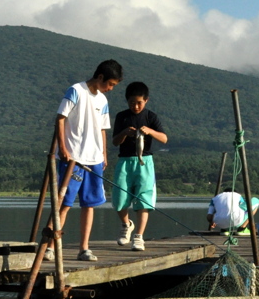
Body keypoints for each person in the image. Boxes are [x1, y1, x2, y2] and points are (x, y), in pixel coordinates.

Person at [46, 59, 122, 262]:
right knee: (64, 204)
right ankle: (50, 247)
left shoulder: (103, 101)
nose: (111, 89)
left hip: (94, 159)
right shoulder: (75, 91)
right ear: (100, 77)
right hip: (72, 157)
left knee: (89, 204)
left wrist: (104, 154)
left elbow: (103, 129)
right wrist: (62, 148)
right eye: (110, 84)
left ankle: (84, 248)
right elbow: (60, 118)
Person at [110, 82, 168, 252]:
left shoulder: (151, 117)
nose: (135, 106)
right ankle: (126, 224)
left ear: (146, 101)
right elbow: (115, 142)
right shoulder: (122, 117)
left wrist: (150, 131)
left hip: (145, 161)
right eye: (132, 103)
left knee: (144, 200)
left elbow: (164, 138)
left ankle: (139, 237)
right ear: (127, 101)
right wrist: (124, 133)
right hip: (125, 161)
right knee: (119, 198)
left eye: (139, 103)